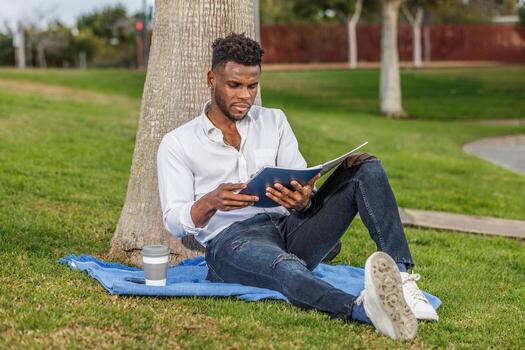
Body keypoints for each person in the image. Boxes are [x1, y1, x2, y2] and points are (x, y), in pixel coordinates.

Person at [157, 33, 438, 341]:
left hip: (288, 226)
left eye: (253, 86)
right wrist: (210, 201)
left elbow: (302, 184)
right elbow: (173, 220)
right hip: (232, 242)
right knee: (287, 268)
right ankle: (363, 310)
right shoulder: (179, 142)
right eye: (234, 85)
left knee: (364, 167)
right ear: (212, 79)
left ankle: (401, 278)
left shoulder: (274, 121)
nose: (245, 96)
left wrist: (303, 200)